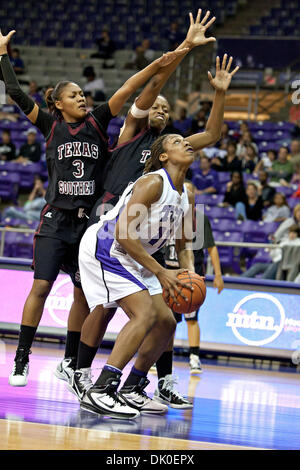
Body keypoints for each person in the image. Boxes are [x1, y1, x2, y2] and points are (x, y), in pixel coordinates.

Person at [0, 27, 187, 387]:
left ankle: (71, 361)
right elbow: (15, 92)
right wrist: (3, 56)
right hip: (56, 218)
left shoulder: (99, 121)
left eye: (83, 93)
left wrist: (156, 66)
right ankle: (22, 357)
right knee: (40, 286)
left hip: (87, 224)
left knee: (84, 295)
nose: (82, 98)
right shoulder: (49, 125)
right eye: (74, 95)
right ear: (58, 104)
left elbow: (129, 89)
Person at [64, 9, 223, 407]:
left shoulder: (184, 187)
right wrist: (184, 49)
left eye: (170, 115)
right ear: (163, 152)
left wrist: (183, 270)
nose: (165, 116)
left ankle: (136, 384)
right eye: (160, 110)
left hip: (138, 244)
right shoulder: (138, 142)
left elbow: (213, 135)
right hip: (108, 236)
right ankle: (90, 379)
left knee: (165, 319)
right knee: (111, 310)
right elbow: (149, 90)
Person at [156, 181, 224, 386]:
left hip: (190, 274)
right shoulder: (167, 215)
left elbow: (211, 248)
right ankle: (161, 355)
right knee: (168, 320)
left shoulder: (200, 219)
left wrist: (218, 274)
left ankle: (194, 357)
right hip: (169, 272)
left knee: (191, 319)